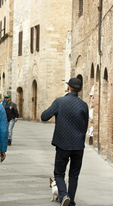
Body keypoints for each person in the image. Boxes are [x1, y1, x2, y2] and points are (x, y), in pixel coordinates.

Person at [41, 78, 89, 206]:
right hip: (78, 145)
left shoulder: (59, 102)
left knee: (59, 173)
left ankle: (63, 195)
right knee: (74, 175)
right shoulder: (83, 105)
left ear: (68, 87)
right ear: (80, 89)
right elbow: (84, 128)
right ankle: (71, 202)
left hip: (63, 144)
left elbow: (44, 117)